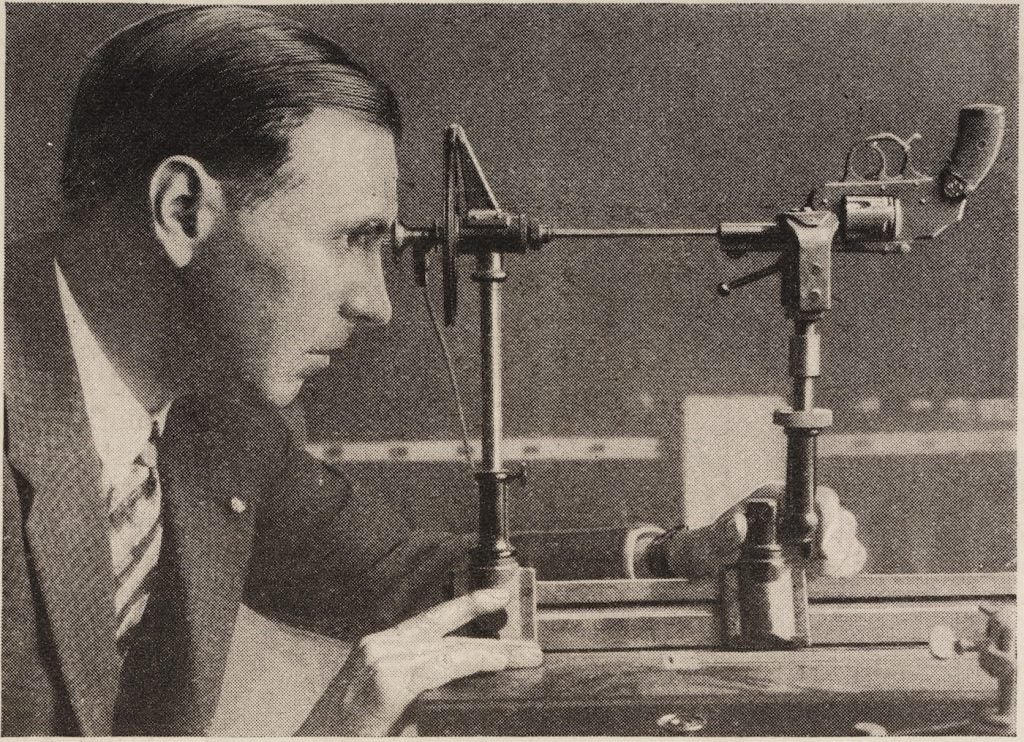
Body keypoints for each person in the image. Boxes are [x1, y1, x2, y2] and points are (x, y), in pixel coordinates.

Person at [3, 7, 866, 736]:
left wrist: (678, 553)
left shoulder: (212, 415)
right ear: (183, 210)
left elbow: (398, 578)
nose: (377, 305)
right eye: (351, 239)